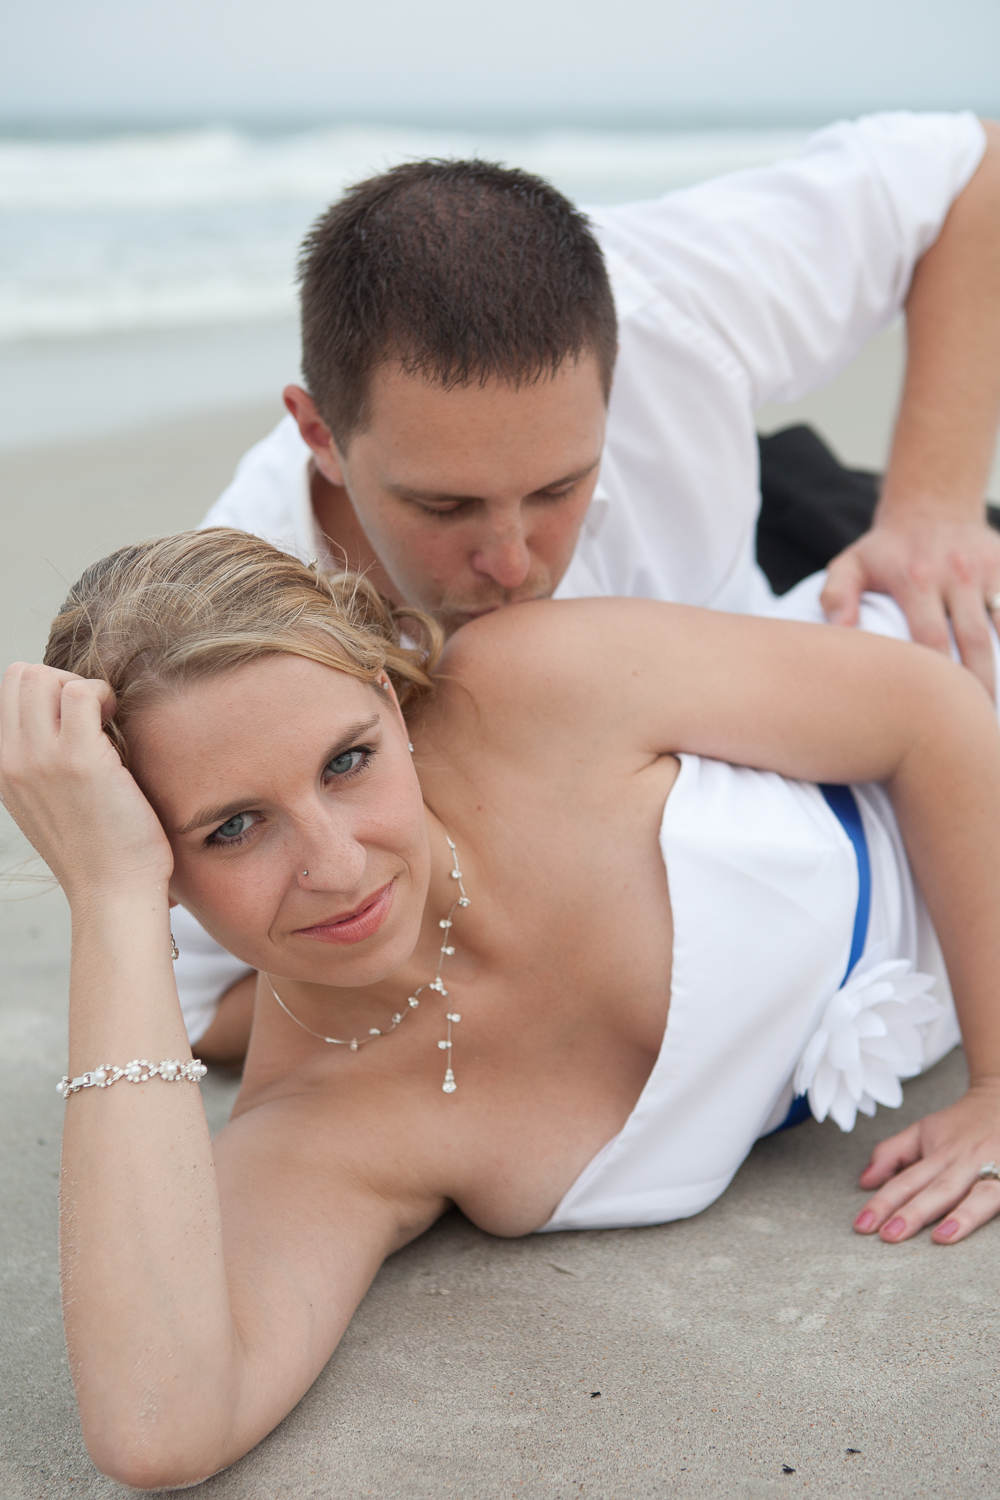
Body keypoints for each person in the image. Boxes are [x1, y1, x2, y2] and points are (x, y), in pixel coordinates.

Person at [4, 527, 1000, 1488]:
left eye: (348, 762)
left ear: (392, 701)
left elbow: (934, 712)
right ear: (159, 864)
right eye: (233, 828)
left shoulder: (532, 689)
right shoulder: (325, 1132)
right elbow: (156, 1426)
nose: (337, 866)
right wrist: (109, 903)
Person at [179, 116, 1000, 1061]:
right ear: (318, 432)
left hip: (803, 547)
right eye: (445, 506)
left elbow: (970, 163)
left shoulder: (676, 297)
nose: (513, 562)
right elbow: (205, 1007)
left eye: (558, 490)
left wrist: (933, 505)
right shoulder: (245, 616)